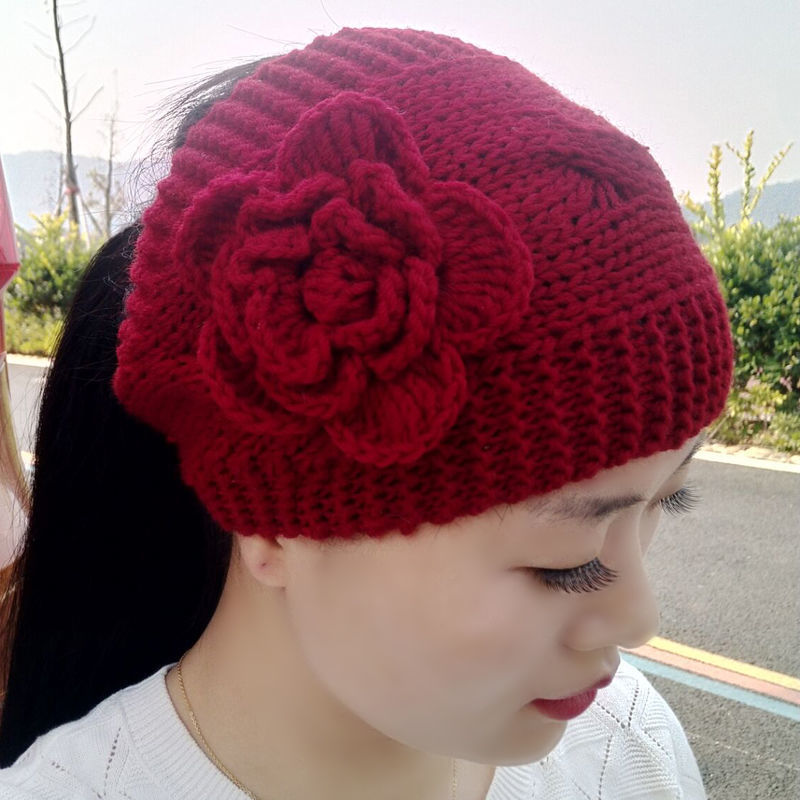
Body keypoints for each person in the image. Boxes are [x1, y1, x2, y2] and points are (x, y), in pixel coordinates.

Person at [0, 26, 733, 800]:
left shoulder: (628, 750)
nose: (638, 618)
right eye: (566, 563)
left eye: (668, 500)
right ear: (276, 524)